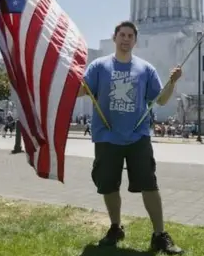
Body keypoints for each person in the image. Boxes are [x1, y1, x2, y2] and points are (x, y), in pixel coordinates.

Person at [78, 21, 184, 254]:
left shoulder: (145, 69)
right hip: (107, 136)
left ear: (135, 41)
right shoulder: (98, 66)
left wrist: (172, 82)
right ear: (114, 38)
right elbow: (81, 91)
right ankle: (115, 228)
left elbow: (162, 100)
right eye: (122, 35)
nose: (126, 39)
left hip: (138, 137)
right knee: (108, 185)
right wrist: (73, 76)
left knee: (149, 184)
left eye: (130, 36)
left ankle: (159, 235)